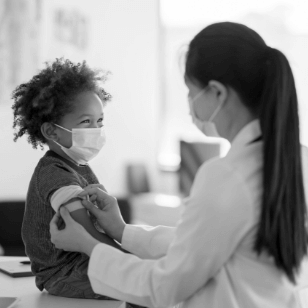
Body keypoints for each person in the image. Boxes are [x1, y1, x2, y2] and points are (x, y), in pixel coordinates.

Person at [49, 22, 308, 308]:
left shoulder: (227, 175)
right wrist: (122, 230)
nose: (189, 103)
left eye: (190, 90)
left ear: (217, 93)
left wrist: (88, 245)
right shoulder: (297, 159)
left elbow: (165, 286)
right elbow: (201, 244)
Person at [11, 58, 125, 300]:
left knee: (151, 275)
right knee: (141, 284)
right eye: (86, 122)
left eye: (100, 121)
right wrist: (131, 260)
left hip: (85, 263)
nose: (96, 130)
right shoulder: (54, 173)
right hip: (64, 273)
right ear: (52, 131)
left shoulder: (79, 166)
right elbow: (87, 232)